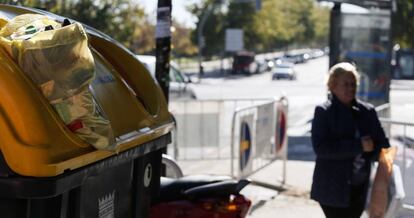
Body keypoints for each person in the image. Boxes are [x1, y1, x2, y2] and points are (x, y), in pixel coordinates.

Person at [310, 62, 390, 218]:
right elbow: (321, 148)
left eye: (353, 84)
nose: (350, 88)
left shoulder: (367, 111)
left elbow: (384, 146)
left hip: (359, 188)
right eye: (345, 84)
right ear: (332, 86)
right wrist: (358, 146)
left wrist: (377, 157)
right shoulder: (324, 112)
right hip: (331, 189)